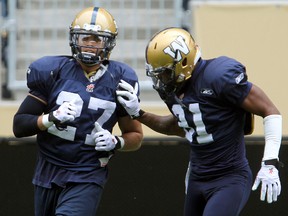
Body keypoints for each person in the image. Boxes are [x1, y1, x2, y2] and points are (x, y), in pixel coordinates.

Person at [116, 27, 282, 216]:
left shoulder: (218, 76)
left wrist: (269, 163)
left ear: (184, 62)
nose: (160, 79)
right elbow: (179, 126)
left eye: (164, 73)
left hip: (229, 178)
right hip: (197, 177)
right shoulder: (173, 90)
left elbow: (270, 112)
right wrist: (139, 114)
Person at [13, 6, 143, 216]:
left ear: (108, 43)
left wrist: (117, 142)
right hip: (48, 169)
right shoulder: (53, 71)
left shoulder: (121, 79)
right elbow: (19, 126)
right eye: (85, 38)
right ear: (75, 39)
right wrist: (51, 118)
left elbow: (135, 136)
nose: (90, 44)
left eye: (97, 39)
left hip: (88, 173)